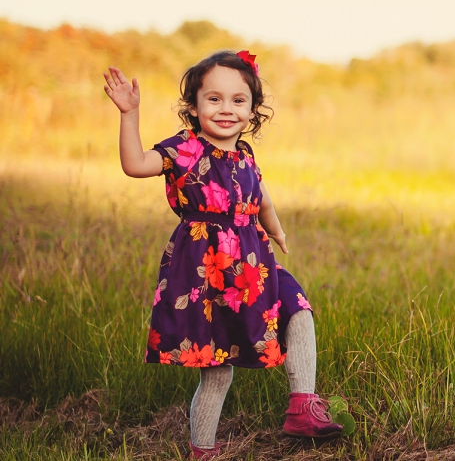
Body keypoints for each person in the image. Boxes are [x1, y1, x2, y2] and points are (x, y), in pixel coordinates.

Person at [102, 50, 342, 459]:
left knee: (298, 308)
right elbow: (135, 164)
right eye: (213, 99)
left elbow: (261, 196)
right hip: (206, 270)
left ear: (252, 109)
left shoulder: (246, 154)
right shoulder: (184, 149)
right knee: (218, 368)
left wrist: (276, 229)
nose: (226, 109)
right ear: (194, 106)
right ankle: (204, 450)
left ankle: (303, 405)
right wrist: (129, 114)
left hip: (253, 263)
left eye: (237, 100)